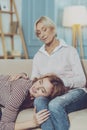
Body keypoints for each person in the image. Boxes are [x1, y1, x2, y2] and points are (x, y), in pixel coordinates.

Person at [10, 16, 87, 130]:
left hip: (75, 92)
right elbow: (34, 80)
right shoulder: (38, 56)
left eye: (44, 29)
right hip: (50, 95)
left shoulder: (69, 51)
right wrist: (23, 75)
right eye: (38, 33)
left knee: (54, 105)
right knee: (39, 101)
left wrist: (58, 84)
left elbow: (82, 80)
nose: (42, 35)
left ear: (53, 29)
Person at [0, 74, 65, 130]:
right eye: (40, 82)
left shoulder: (36, 98)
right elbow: (3, 126)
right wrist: (33, 123)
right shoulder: (20, 91)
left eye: (42, 90)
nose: (36, 87)